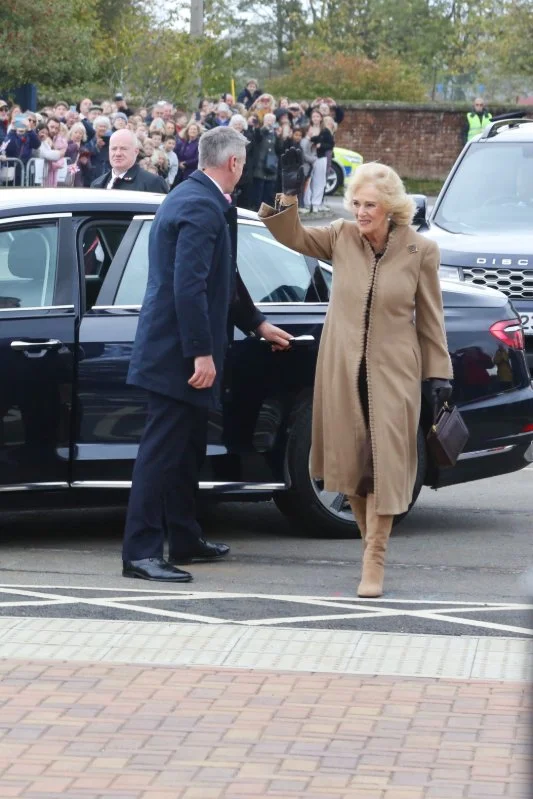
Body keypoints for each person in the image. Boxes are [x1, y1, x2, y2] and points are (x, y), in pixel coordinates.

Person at [258, 153, 453, 597]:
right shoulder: (341, 236)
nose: (362, 212)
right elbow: (293, 237)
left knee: (385, 467)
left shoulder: (420, 250)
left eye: (371, 205)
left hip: (396, 373)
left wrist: (438, 375)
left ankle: (375, 559)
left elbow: (430, 318)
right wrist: (289, 192)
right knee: (353, 466)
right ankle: (369, 546)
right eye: (357, 203)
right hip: (342, 369)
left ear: (391, 209)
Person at [122, 126, 293, 582]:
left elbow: (224, 275)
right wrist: (201, 353)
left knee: (186, 451)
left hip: (180, 351)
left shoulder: (198, 196)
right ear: (234, 163)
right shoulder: (199, 204)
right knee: (161, 454)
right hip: (175, 356)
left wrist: (256, 324)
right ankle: (140, 552)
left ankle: (184, 537)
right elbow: (189, 285)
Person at [90, 129, 168, 193]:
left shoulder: (153, 183)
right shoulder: (97, 184)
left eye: (123, 148)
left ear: (136, 152)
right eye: (114, 149)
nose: (118, 153)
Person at [304, 109, 334, 213]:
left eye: (317, 116)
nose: (315, 118)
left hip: (320, 158)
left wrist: (321, 145)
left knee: (319, 181)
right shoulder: (308, 129)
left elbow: (330, 145)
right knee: (307, 182)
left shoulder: (325, 131)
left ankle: (316, 203)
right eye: (314, 116)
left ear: (321, 118)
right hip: (308, 158)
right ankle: (307, 203)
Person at [172, 122, 201, 186]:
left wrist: (185, 163)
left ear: (198, 132)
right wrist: (179, 163)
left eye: (194, 129)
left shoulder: (199, 144)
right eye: (191, 129)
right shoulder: (183, 142)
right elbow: (176, 153)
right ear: (187, 131)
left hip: (191, 171)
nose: (192, 131)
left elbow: (197, 158)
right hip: (179, 171)